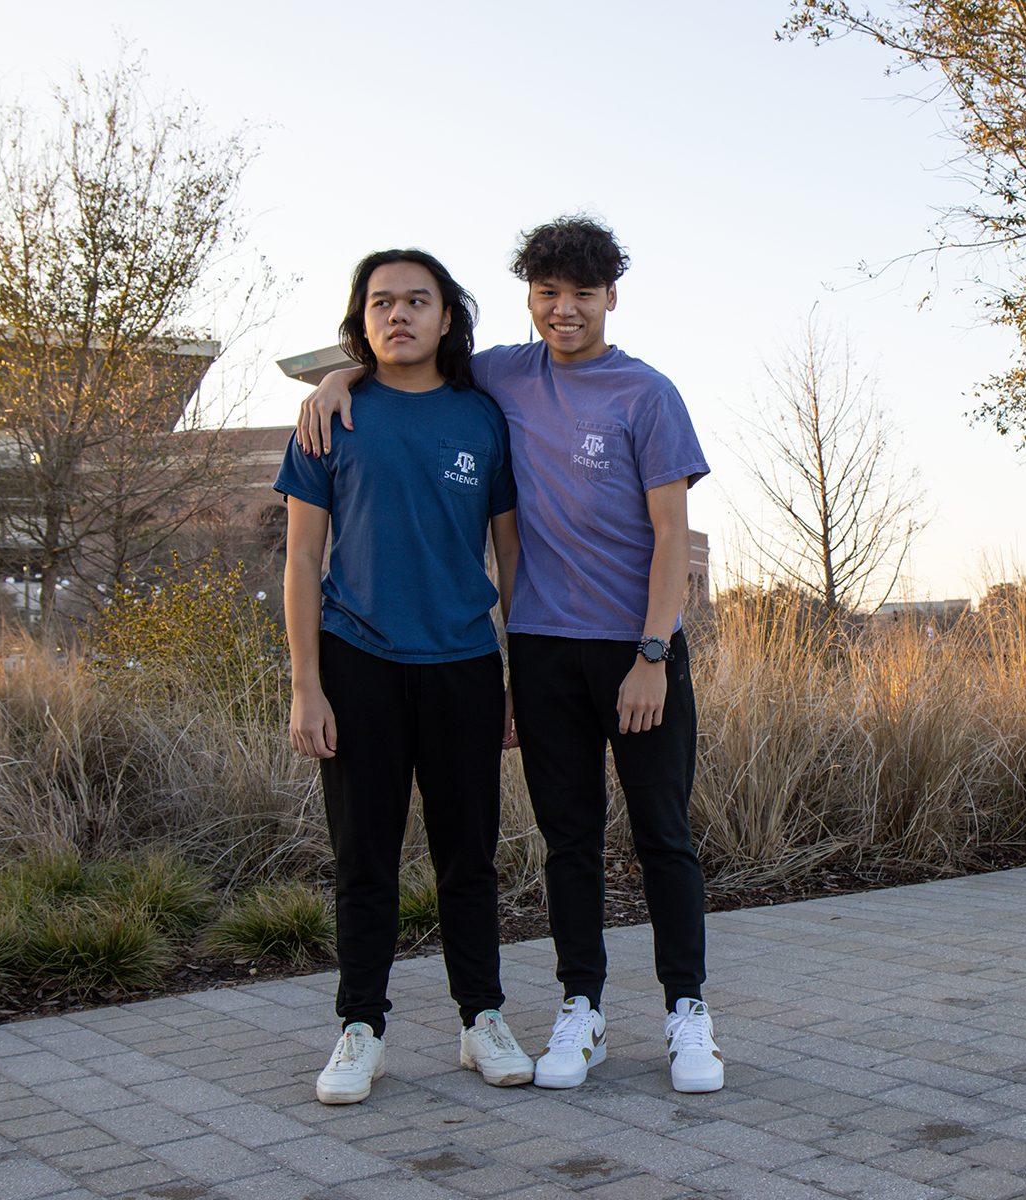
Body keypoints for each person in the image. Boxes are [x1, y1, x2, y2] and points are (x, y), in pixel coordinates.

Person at [296, 217, 723, 1094]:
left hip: (627, 653)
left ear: (610, 298)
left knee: (661, 837)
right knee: (565, 840)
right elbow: (396, 374)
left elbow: (670, 534)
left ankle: (686, 1015)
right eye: (547, 293)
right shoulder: (500, 376)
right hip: (529, 652)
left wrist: (652, 651)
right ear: (529, 298)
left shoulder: (641, 394)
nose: (564, 310)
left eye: (582, 294)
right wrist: (336, 377)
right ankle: (578, 1009)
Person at [276, 249, 534, 1104]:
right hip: (359, 665)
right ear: (362, 319)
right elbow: (302, 558)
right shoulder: (330, 419)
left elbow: (509, 555)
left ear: (446, 317)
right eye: (381, 302)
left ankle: (480, 1020)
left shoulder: (481, 419)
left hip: (462, 664)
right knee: (364, 859)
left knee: (469, 859)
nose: (399, 315)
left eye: (416, 301)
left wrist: (511, 674)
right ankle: (361, 1029)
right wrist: (305, 685)